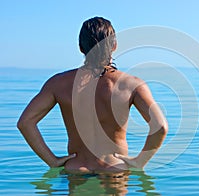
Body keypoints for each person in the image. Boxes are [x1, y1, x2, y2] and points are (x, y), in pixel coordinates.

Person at [17, 16, 168, 174]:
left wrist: (52, 161)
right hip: (114, 169)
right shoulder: (132, 84)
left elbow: (25, 122)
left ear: (81, 47)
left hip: (77, 169)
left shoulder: (58, 83)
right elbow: (161, 126)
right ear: (114, 45)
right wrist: (140, 161)